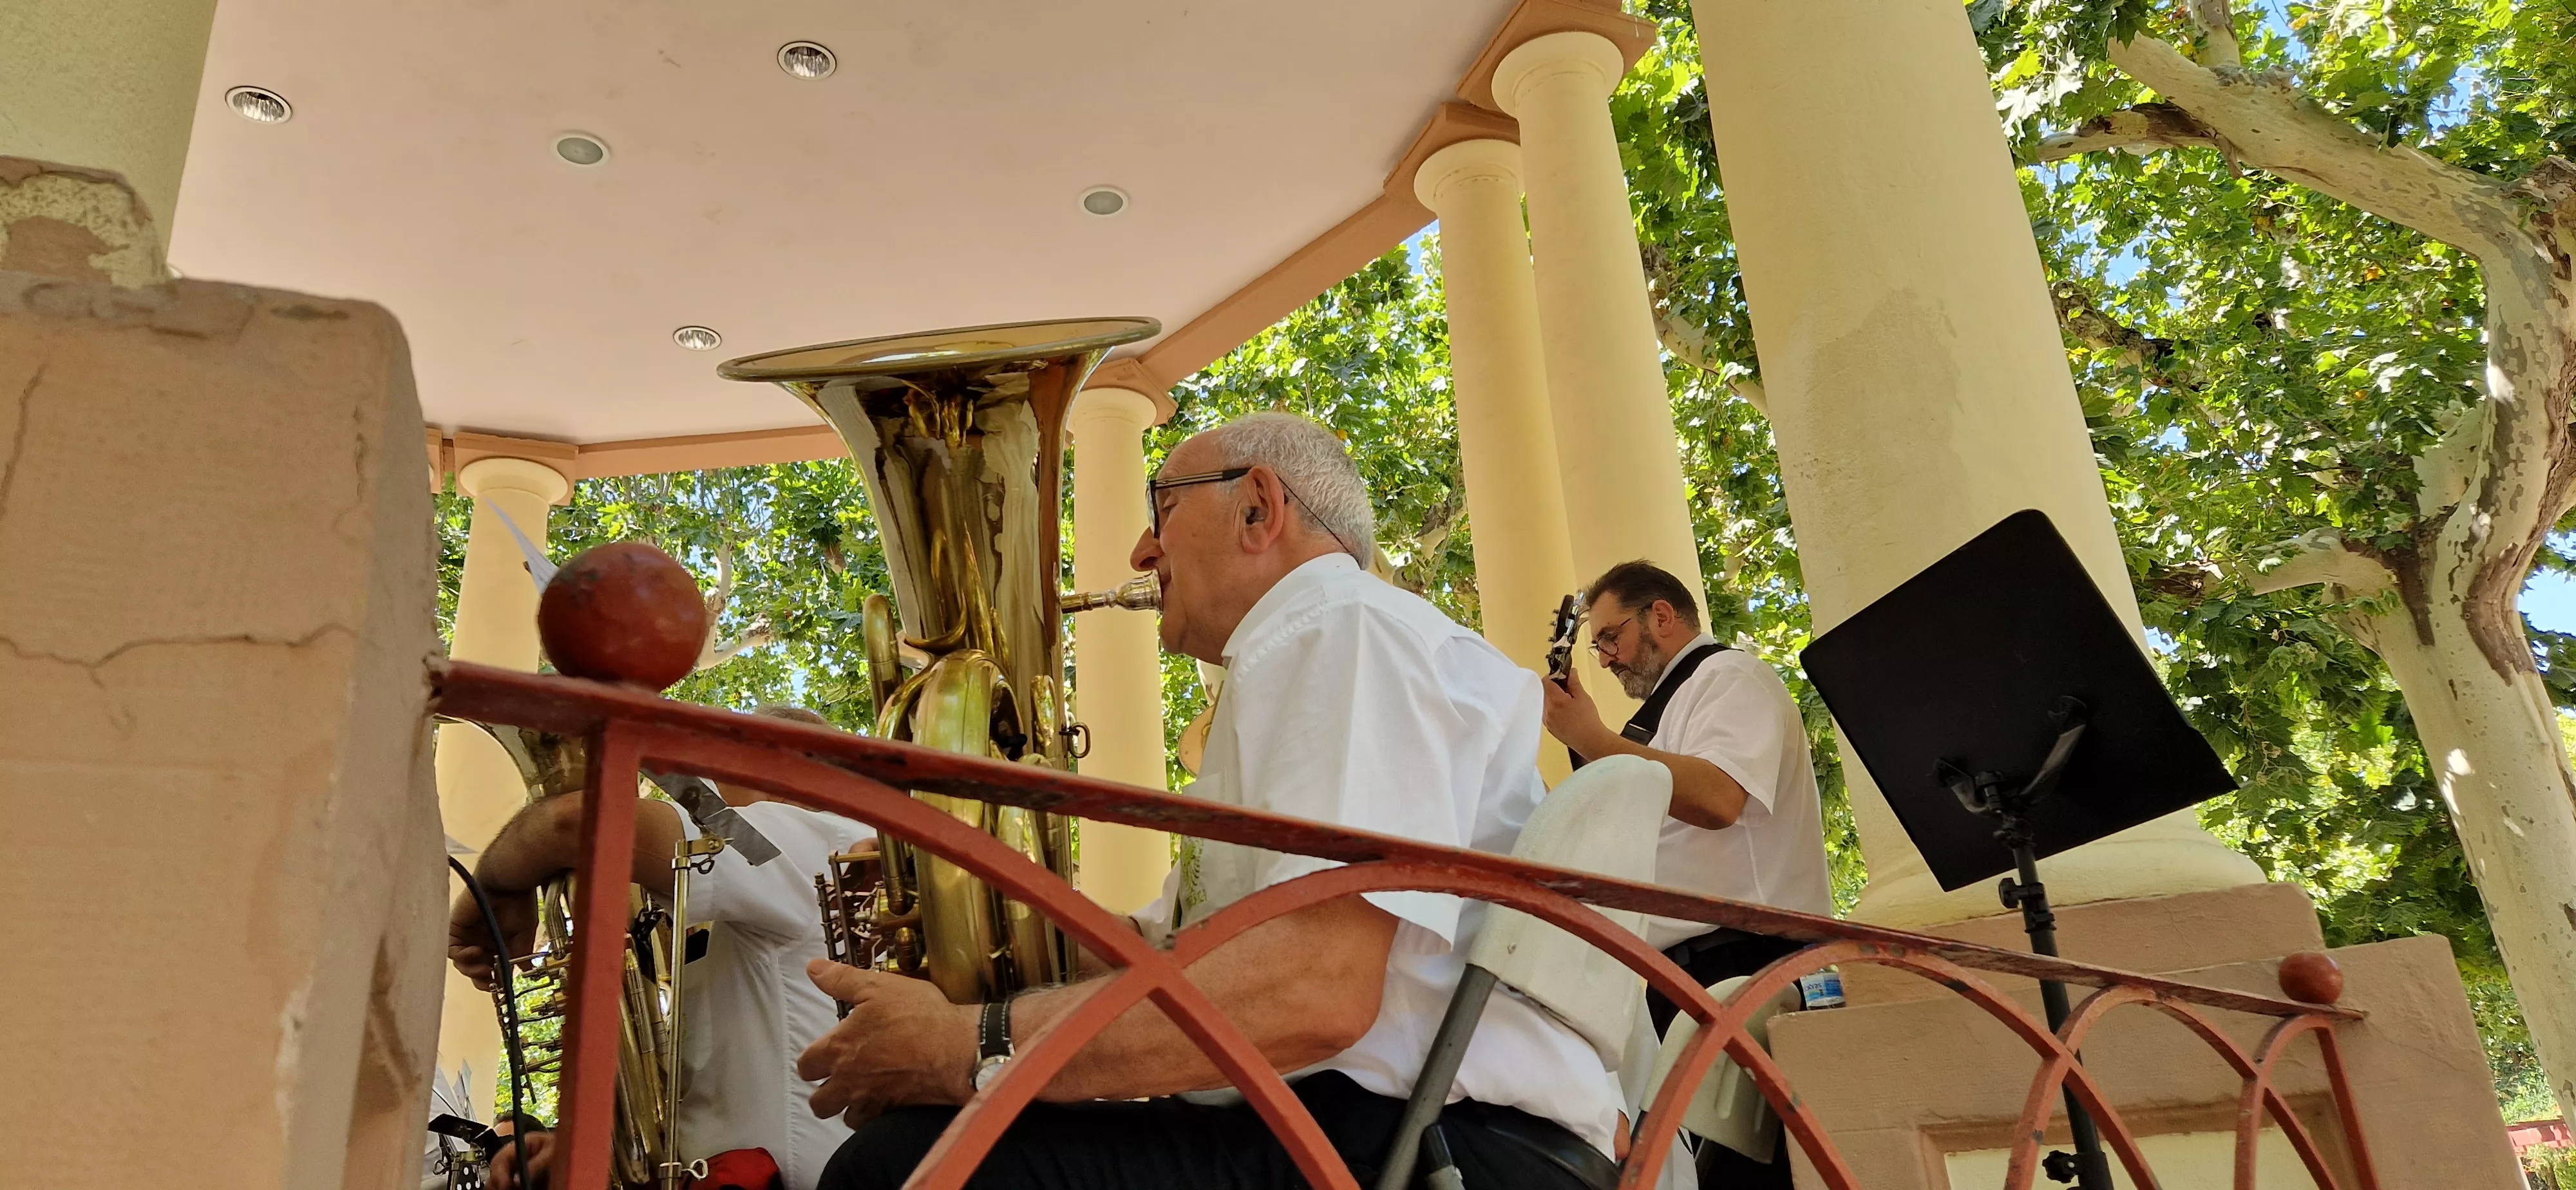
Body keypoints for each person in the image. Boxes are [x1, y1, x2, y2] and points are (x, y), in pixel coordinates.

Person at [800, 412, 1622, 1190]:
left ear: (1259, 508)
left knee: (899, 1167)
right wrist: (971, 896)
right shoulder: (1320, 645)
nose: (1139, 550)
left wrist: (968, 1047)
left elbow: (1314, 991)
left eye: (1162, 510)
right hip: (1388, 1133)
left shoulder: (1338, 628)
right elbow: (1169, 961)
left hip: (1416, 1146)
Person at [446, 704, 875, 1190]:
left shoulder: (806, 839)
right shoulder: (818, 864)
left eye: (719, 774)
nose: (706, 799)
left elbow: (573, 823)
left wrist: (494, 890)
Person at [1537, 560, 1830, 1189]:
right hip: (1677, 983)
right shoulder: (1661, 720)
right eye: (1595, 646)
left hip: (1742, 969)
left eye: (1610, 637)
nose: (1607, 659)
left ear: (1662, 617)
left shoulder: (1729, 677)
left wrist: (1591, 739)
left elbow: (1719, 797)